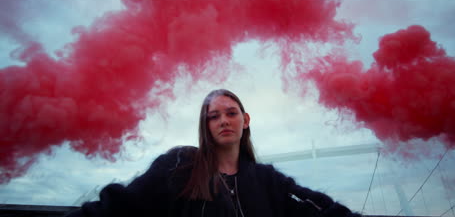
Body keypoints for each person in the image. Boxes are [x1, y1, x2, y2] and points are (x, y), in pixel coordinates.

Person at [66, 89, 361, 217]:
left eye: (231, 113)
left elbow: (319, 211)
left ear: (245, 121)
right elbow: (122, 206)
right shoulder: (179, 166)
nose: (223, 121)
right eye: (214, 116)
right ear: (204, 125)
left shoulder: (267, 180)